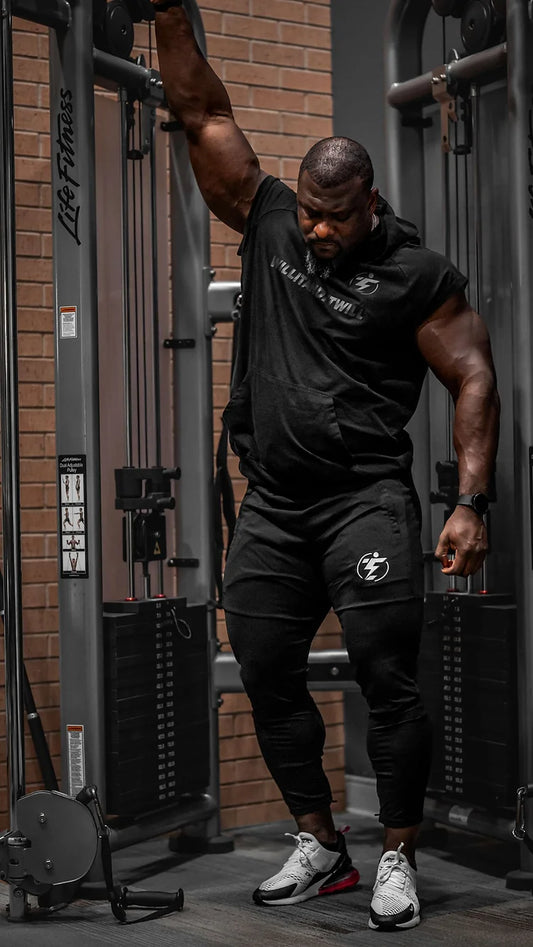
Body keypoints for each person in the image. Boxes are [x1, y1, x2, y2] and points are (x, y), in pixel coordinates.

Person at [152, 1, 500, 932]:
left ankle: (395, 852)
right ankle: (320, 846)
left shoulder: (416, 274)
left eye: (333, 217)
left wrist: (471, 501)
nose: (315, 231)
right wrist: (166, 15)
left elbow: (472, 374)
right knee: (264, 663)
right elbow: (203, 113)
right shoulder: (268, 218)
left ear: (369, 201)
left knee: (389, 675)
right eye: (308, 211)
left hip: (365, 501)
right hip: (273, 501)